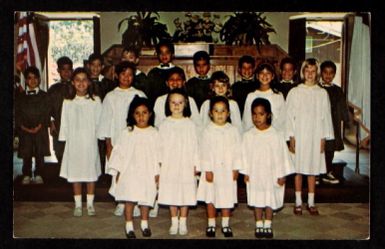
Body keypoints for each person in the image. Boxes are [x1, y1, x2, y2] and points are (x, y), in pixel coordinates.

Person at [97, 61, 147, 217]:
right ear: (117, 75)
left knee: (136, 171)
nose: (126, 77)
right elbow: (105, 120)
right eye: (123, 74)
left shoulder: (139, 94)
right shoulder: (110, 96)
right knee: (118, 171)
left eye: (130, 75)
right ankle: (120, 201)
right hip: (117, 139)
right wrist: (108, 144)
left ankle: (136, 201)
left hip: (136, 140)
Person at [286, 58, 334, 216]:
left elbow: (326, 117)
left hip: (315, 135)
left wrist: (323, 138)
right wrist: (291, 136)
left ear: (317, 73)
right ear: (302, 72)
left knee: (313, 170)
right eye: (307, 70)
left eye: (313, 71)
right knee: (298, 170)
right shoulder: (295, 92)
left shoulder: (322, 93)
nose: (310, 74)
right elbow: (289, 116)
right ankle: (298, 201)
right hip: (299, 135)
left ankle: (311, 202)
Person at [241, 98, 295, 239]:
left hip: (272, 174)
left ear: (268, 115)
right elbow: (244, 155)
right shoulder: (248, 135)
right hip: (255, 174)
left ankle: (268, 224)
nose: (257, 118)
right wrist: (245, 172)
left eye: (261, 114)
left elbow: (283, 156)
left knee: (270, 198)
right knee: (257, 199)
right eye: (254, 114)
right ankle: (259, 223)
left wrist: (282, 174)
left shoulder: (276, 135)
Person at [107, 96, 160, 239]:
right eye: (137, 113)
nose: (141, 116)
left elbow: (158, 154)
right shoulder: (127, 133)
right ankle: (129, 225)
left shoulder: (154, 133)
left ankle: (144, 224)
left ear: (150, 114)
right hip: (130, 171)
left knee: (145, 199)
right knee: (129, 198)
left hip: (148, 171)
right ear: (132, 115)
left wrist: (158, 172)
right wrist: (117, 172)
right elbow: (119, 152)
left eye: (144, 113)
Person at [58, 67, 102, 217]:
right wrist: (64, 139)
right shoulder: (68, 102)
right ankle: (77, 205)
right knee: (75, 173)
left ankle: (90, 204)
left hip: (89, 142)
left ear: (89, 82)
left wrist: (99, 137)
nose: (81, 83)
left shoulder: (95, 101)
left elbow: (99, 122)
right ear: (72, 82)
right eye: (77, 80)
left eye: (84, 80)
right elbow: (64, 123)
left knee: (90, 172)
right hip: (74, 143)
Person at [197, 96, 242, 238]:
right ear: (210, 113)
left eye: (223, 111)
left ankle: (225, 223)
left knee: (226, 197)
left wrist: (236, 168)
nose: (220, 114)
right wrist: (207, 169)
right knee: (211, 196)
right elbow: (203, 151)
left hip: (228, 170)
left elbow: (238, 151)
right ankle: (211, 223)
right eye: (216, 111)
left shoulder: (233, 131)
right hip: (212, 170)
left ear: (228, 113)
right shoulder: (207, 131)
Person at [157, 88, 200, 236]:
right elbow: (160, 147)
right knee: (171, 192)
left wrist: (196, 164)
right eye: (173, 102)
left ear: (186, 104)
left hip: (186, 164)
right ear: (168, 104)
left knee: (185, 192)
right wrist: (160, 164)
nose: (176, 106)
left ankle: (183, 220)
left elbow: (195, 146)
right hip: (170, 164)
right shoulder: (164, 125)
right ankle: (174, 220)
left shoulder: (190, 125)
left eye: (180, 102)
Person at [15, 66, 50, 185]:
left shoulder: (45, 96)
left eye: (35, 78)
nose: (33, 80)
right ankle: (27, 174)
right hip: (25, 130)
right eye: (29, 78)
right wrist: (24, 127)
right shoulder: (19, 97)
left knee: (40, 152)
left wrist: (39, 126)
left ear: (39, 79)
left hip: (40, 129)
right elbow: (17, 114)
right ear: (25, 80)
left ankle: (40, 173)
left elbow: (46, 112)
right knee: (27, 152)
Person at [319, 60, 350, 184]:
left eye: (331, 73)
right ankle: (317, 173)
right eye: (325, 72)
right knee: (318, 149)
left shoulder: (338, 90)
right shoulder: (317, 89)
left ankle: (327, 171)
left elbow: (343, 107)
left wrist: (346, 119)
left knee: (330, 148)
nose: (328, 75)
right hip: (319, 124)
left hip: (333, 124)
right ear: (321, 73)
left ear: (334, 74)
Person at [87, 53, 117, 174]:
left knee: (102, 147)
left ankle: (103, 174)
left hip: (103, 120)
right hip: (88, 120)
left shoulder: (108, 84)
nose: (95, 68)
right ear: (89, 66)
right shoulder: (85, 82)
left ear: (103, 67)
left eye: (99, 65)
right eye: (93, 65)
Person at [242, 63, 285, 133]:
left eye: (268, 73)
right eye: (262, 73)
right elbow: (246, 121)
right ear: (257, 76)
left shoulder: (278, 96)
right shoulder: (251, 96)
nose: (265, 76)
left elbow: (282, 120)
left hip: (273, 135)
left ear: (273, 76)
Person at [48, 56, 73, 165]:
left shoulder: (76, 87)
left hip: (73, 124)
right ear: (58, 70)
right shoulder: (53, 89)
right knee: (59, 151)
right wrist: (51, 122)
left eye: (69, 69)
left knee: (73, 151)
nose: (66, 72)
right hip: (58, 123)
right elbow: (47, 108)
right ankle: (61, 177)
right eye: (63, 69)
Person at [146, 40, 183, 105]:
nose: (164, 55)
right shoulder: (153, 72)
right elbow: (149, 93)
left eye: (167, 52)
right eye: (161, 53)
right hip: (157, 105)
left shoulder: (178, 71)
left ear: (172, 54)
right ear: (157, 55)